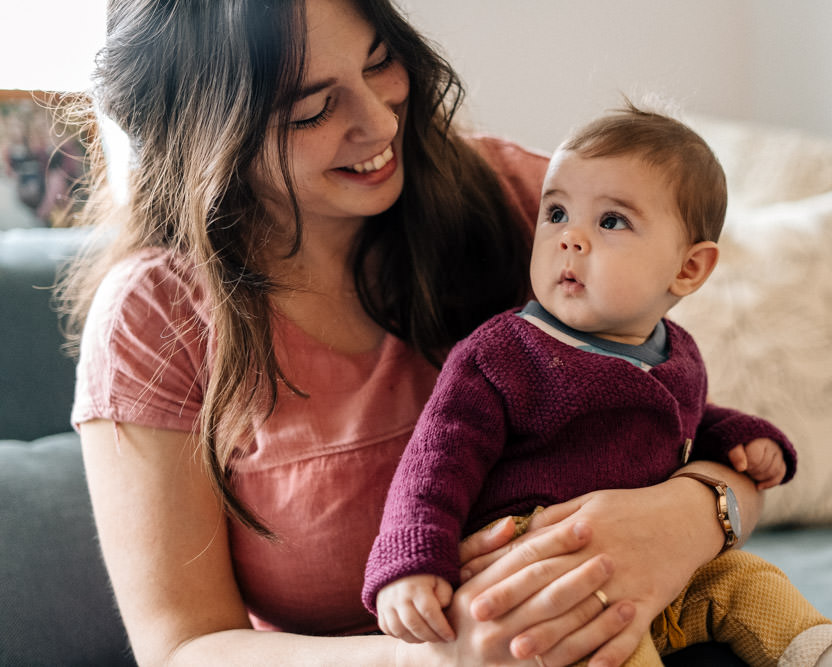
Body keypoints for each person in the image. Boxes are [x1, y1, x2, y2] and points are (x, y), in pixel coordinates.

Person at [60, 1, 780, 666]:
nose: (377, 121)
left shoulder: (529, 203)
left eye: (379, 63)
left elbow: (728, 447)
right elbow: (183, 648)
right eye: (313, 110)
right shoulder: (155, 318)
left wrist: (684, 519)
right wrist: (432, 656)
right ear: (208, 134)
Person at [363, 106, 832, 667]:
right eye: (556, 213)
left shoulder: (676, 352)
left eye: (612, 221)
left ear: (688, 268)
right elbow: (435, 459)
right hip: (546, 574)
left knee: (751, 582)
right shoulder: (500, 354)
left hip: (664, 570)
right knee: (609, 644)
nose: (570, 238)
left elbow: (687, 421)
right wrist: (411, 561)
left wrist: (741, 436)